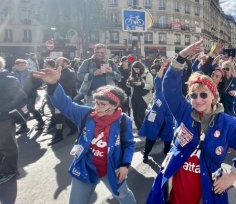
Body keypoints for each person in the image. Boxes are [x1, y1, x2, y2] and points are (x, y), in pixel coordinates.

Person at [146, 39, 236, 204]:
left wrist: (232, 176)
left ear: (213, 96)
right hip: (174, 190)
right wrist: (182, 56)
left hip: (207, 193)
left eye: (203, 94)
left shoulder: (227, 123)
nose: (198, 99)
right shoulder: (185, 112)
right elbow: (169, 87)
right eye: (194, 95)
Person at [34, 67, 136, 204]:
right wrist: (53, 84)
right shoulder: (86, 114)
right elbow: (64, 104)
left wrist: (125, 164)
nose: (97, 107)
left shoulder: (124, 120)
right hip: (85, 166)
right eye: (96, 103)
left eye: (102, 104)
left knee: (124, 196)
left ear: (115, 105)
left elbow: (129, 144)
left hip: (112, 168)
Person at [138, 60, 173, 163]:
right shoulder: (159, 90)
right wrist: (162, 67)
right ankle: (145, 154)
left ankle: (167, 155)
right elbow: (158, 79)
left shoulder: (175, 95)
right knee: (151, 138)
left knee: (168, 138)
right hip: (155, 119)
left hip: (167, 120)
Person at [0, 56, 27, 185]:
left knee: (7, 145)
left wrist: (4, 109)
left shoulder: (8, 79)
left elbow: (21, 97)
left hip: (4, 119)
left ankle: (10, 171)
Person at [48, 57, 78, 145]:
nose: (56, 62)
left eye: (58, 61)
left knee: (59, 118)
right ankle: (73, 127)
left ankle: (59, 134)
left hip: (64, 97)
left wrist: (56, 82)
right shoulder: (56, 70)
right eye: (56, 61)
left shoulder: (70, 72)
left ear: (65, 62)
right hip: (56, 96)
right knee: (63, 116)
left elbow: (71, 84)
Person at [13, 58, 45, 133]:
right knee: (20, 111)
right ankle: (24, 127)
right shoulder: (13, 74)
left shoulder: (31, 73)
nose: (23, 67)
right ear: (16, 66)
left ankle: (41, 122)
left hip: (30, 94)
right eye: (20, 65)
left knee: (31, 109)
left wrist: (32, 88)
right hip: (19, 96)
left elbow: (40, 82)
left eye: (24, 65)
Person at [127, 61, 153, 130]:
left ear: (141, 68)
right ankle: (140, 129)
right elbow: (127, 83)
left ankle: (145, 129)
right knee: (135, 115)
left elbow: (150, 86)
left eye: (137, 69)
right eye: (134, 69)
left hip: (143, 97)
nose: (136, 71)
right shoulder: (133, 74)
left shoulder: (147, 74)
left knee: (140, 115)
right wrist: (131, 83)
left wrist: (142, 84)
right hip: (134, 97)